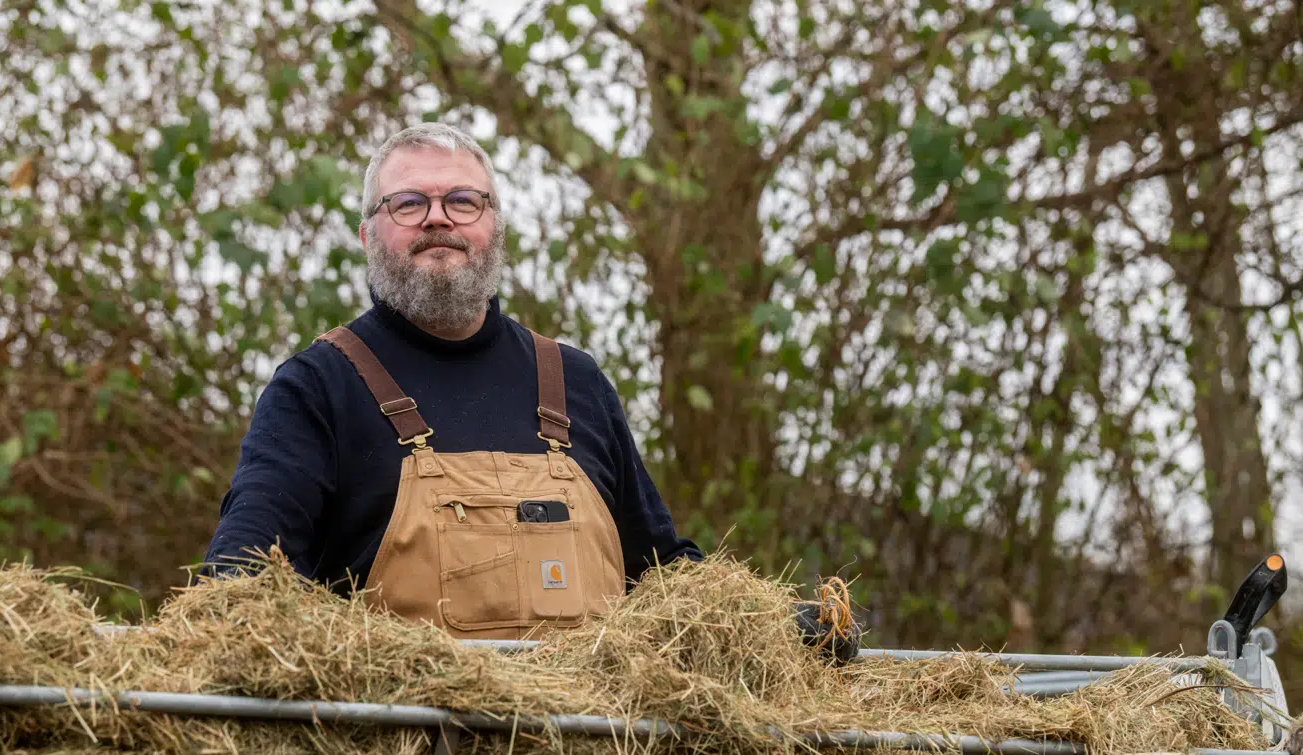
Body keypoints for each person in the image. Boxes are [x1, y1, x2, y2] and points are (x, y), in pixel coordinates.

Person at [203, 123, 853, 656]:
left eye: (463, 201)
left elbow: (664, 580)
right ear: (369, 233)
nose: (438, 219)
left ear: (495, 225)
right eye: (408, 203)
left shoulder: (576, 382)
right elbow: (244, 582)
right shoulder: (317, 386)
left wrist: (771, 628)